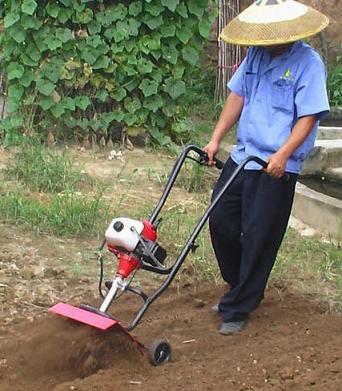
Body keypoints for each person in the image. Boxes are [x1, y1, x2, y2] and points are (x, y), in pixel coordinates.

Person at [203, 0, 330, 335]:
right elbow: (237, 96)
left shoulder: (308, 63)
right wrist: (216, 140)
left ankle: (240, 305)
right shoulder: (257, 55)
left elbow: (309, 115)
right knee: (220, 219)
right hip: (245, 154)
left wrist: (284, 155)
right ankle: (239, 286)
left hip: (275, 164)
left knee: (260, 234)